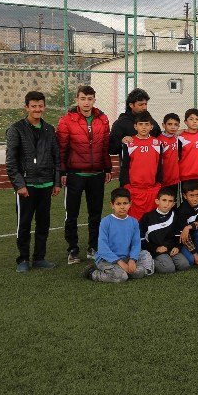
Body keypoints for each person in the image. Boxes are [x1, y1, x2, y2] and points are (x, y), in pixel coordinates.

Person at [6, 90, 61, 273]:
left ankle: (39, 258)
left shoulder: (49, 129)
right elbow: (11, 161)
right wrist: (19, 184)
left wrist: (56, 182)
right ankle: (23, 259)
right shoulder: (16, 129)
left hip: (46, 184)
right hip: (27, 186)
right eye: (33, 106)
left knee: (43, 223)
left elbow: (56, 158)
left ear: (44, 107)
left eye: (40, 106)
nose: (37, 109)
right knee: (24, 223)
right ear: (26, 107)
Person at [56, 84, 112, 264]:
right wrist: (62, 171)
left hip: (96, 174)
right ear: (77, 100)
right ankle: (72, 249)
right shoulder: (66, 120)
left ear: (94, 100)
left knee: (95, 213)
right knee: (71, 214)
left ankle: (93, 247)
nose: (86, 102)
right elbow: (62, 148)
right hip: (75, 174)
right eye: (83, 99)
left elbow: (105, 147)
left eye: (89, 99)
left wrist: (107, 168)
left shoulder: (102, 119)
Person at [82, 188, 154, 282]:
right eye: (118, 204)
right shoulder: (106, 222)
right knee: (121, 277)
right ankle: (92, 273)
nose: (122, 207)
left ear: (130, 204)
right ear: (112, 205)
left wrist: (132, 260)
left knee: (144, 258)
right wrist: (120, 262)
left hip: (126, 257)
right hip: (106, 259)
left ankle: (126, 271)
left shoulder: (134, 222)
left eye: (125, 203)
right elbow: (103, 248)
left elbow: (136, 244)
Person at [119, 111, 164, 221]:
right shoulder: (129, 143)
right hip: (134, 189)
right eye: (140, 124)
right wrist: (125, 185)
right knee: (134, 220)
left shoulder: (157, 143)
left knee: (151, 220)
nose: (144, 127)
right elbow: (124, 166)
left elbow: (160, 166)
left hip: (151, 188)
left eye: (146, 124)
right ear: (135, 126)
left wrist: (159, 183)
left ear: (151, 126)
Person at [139, 187, 190, 274]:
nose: (167, 204)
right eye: (164, 200)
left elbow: (178, 235)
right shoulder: (147, 217)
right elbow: (141, 238)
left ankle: (167, 260)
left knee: (184, 264)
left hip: (171, 249)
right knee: (168, 268)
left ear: (174, 204)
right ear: (157, 201)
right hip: (155, 250)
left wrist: (177, 247)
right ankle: (148, 261)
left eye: (170, 201)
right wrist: (156, 248)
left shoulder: (176, 216)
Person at [108, 88, 162, 155]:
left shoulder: (151, 121)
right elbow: (111, 149)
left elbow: (161, 139)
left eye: (145, 104)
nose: (144, 107)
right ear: (131, 105)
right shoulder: (120, 123)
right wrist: (122, 142)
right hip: (131, 164)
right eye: (140, 105)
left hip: (151, 163)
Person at [175, 180, 198, 266]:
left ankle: (196, 253)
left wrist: (189, 227)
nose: (195, 198)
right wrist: (195, 256)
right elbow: (184, 236)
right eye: (191, 195)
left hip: (193, 233)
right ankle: (194, 255)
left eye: (197, 195)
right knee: (191, 261)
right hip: (182, 240)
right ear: (185, 196)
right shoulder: (182, 210)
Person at [178, 108, 198, 184]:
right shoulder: (180, 137)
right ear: (185, 122)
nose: (194, 121)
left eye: (197, 119)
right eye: (191, 119)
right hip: (185, 176)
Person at [159, 113, 181, 196]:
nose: (173, 127)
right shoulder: (159, 140)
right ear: (163, 125)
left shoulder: (176, 137)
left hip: (175, 178)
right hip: (163, 180)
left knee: (174, 202)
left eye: (176, 125)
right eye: (169, 124)